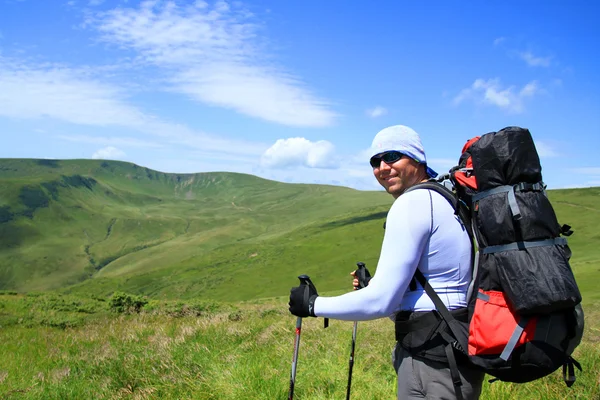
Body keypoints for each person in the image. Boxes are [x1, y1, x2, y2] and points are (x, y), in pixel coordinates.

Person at [288, 125, 485, 399]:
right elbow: (440, 283)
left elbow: (381, 302)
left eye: (392, 156)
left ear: (416, 159)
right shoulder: (445, 200)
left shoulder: (412, 203)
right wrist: (378, 285)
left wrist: (312, 305)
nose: (382, 167)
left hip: (433, 360)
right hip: (453, 349)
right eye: (375, 161)